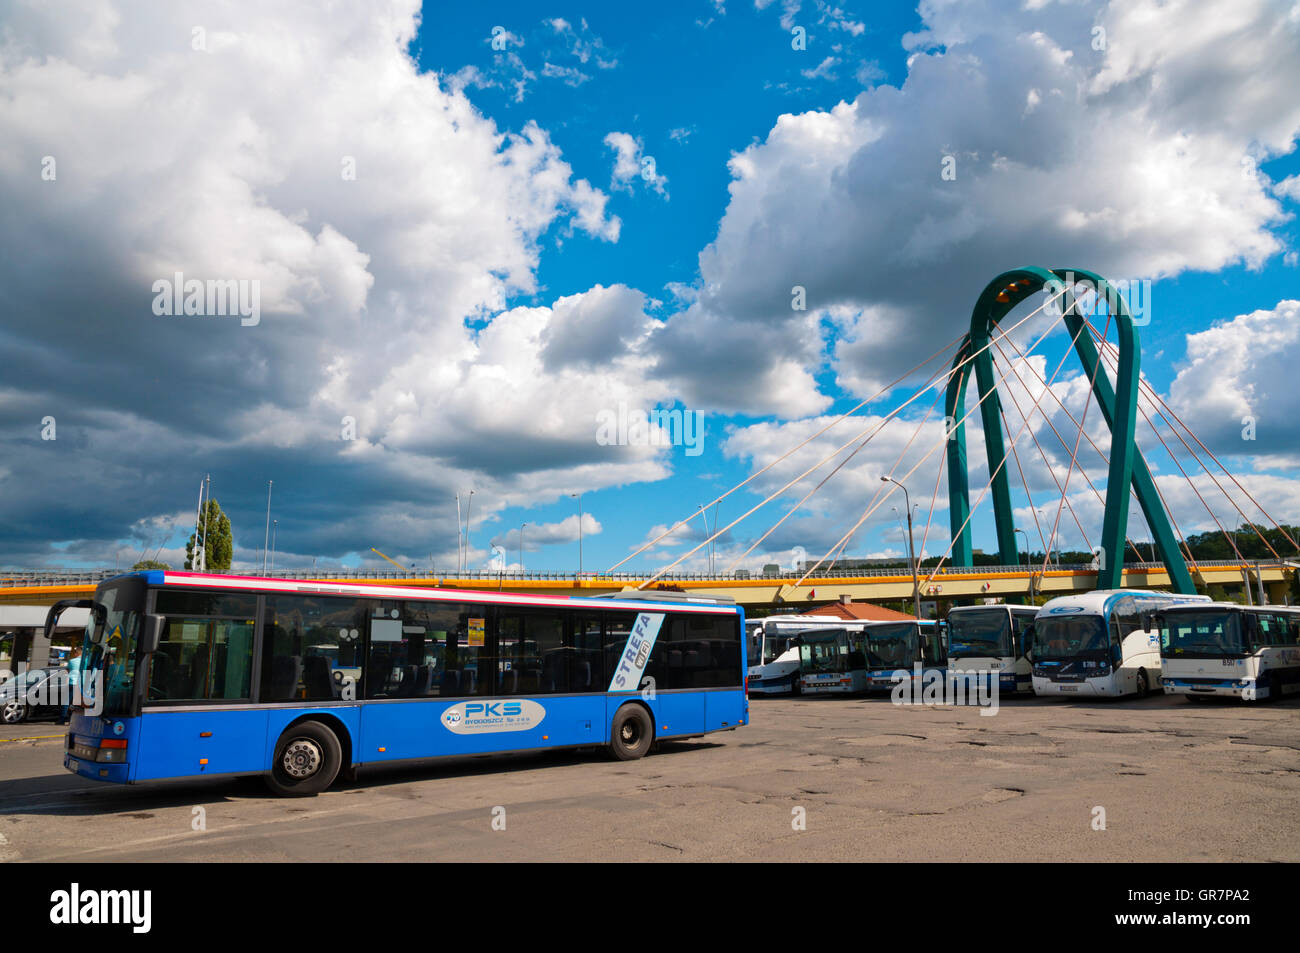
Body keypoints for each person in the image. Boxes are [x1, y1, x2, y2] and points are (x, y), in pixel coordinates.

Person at [59, 644, 83, 724]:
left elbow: (67, 671)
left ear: (76, 653)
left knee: (66, 702)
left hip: (71, 683)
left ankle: (62, 720)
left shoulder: (72, 661)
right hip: (80, 684)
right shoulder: (85, 662)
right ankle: (73, 721)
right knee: (76, 703)